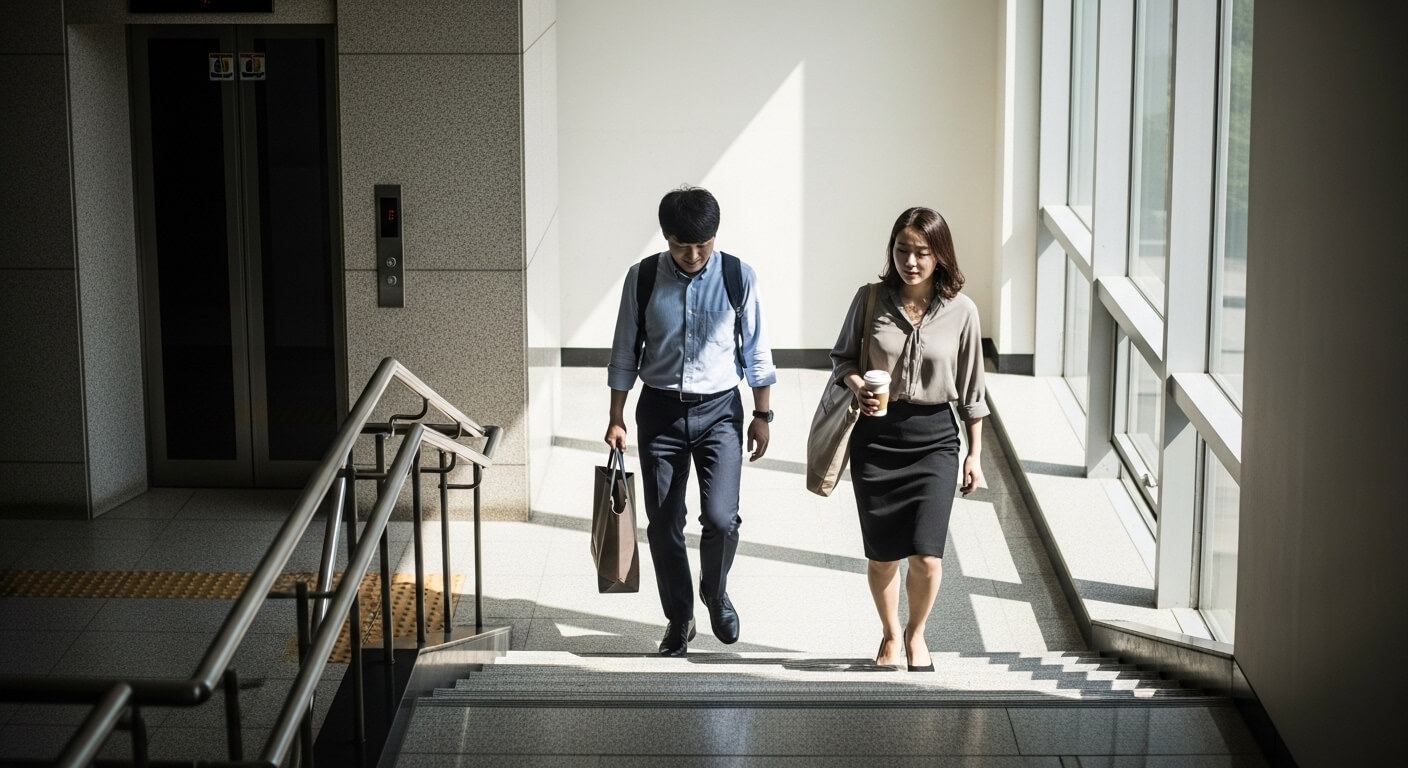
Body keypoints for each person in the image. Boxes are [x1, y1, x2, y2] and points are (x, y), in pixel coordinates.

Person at [605, 186, 777, 656]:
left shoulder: (738, 276)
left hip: (720, 410)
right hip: (659, 411)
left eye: (705, 244)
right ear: (666, 237)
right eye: (684, 245)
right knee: (663, 524)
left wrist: (762, 415)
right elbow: (624, 350)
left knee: (721, 519)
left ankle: (715, 591)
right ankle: (679, 617)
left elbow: (756, 351)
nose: (695, 254)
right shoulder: (641, 279)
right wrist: (616, 416)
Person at [828, 206, 988, 672]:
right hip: (876, 437)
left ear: (940, 256)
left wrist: (974, 455)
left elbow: (973, 391)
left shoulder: (963, 311)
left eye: (921, 252)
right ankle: (890, 634)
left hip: (936, 438)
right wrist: (858, 385)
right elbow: (841, 359)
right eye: (902, 251)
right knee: (882, 557)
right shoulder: (870, 299)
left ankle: (917, 633)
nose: (911, 262)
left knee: (927, 557)